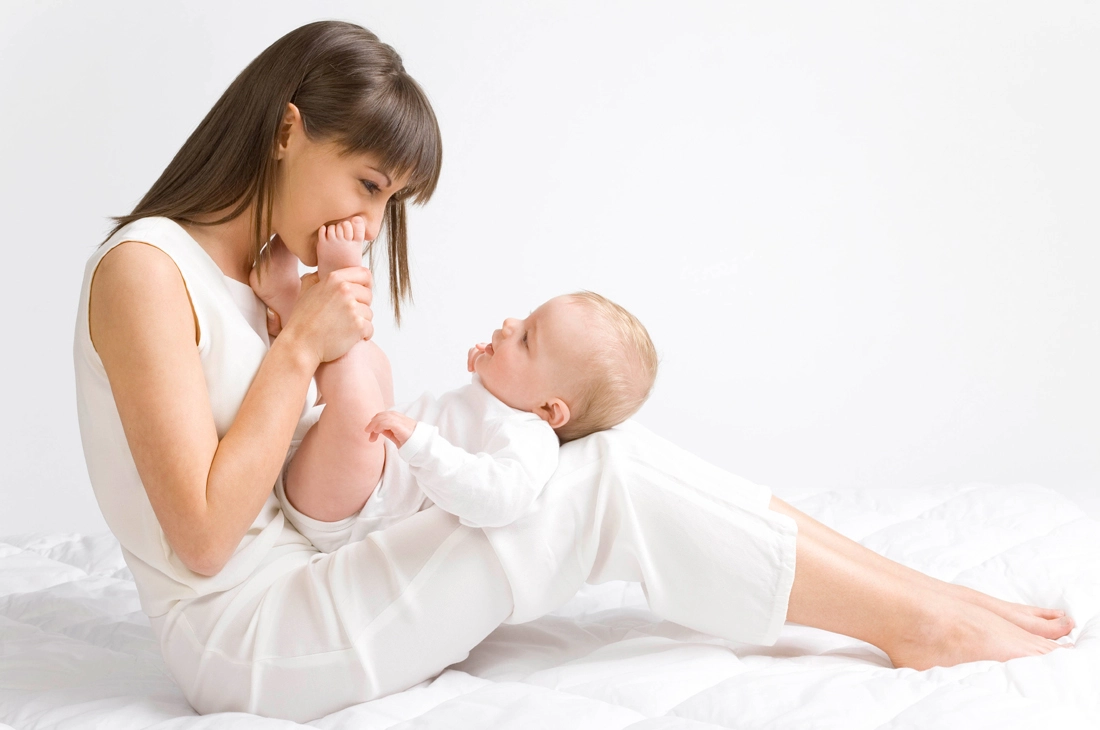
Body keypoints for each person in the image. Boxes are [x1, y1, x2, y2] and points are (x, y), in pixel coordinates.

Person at [73, 20, 1075, 723]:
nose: (369, 226)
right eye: (368, 184)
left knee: (601, 447)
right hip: (251, 640)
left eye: (390, 202)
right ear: (287, 129)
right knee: (598, 479)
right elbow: (204, 539)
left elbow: (321, 478)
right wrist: (301, 345)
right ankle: (917, 620)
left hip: (316, 568)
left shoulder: (269, 271)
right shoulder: (144, 272)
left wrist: (310, 331)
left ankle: (913, 593)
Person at [250, 217, 660, 544]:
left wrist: (421, 444)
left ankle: (326, 284)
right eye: (526, 317)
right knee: (375, 363)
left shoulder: (530, 439)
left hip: (352, 513)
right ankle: (298, 311)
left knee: (359, 403)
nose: (510, 324)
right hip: (353, 476)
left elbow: (499, 499)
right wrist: (489, 364)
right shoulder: (509, 400)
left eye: (527, 338)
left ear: (549, 410)